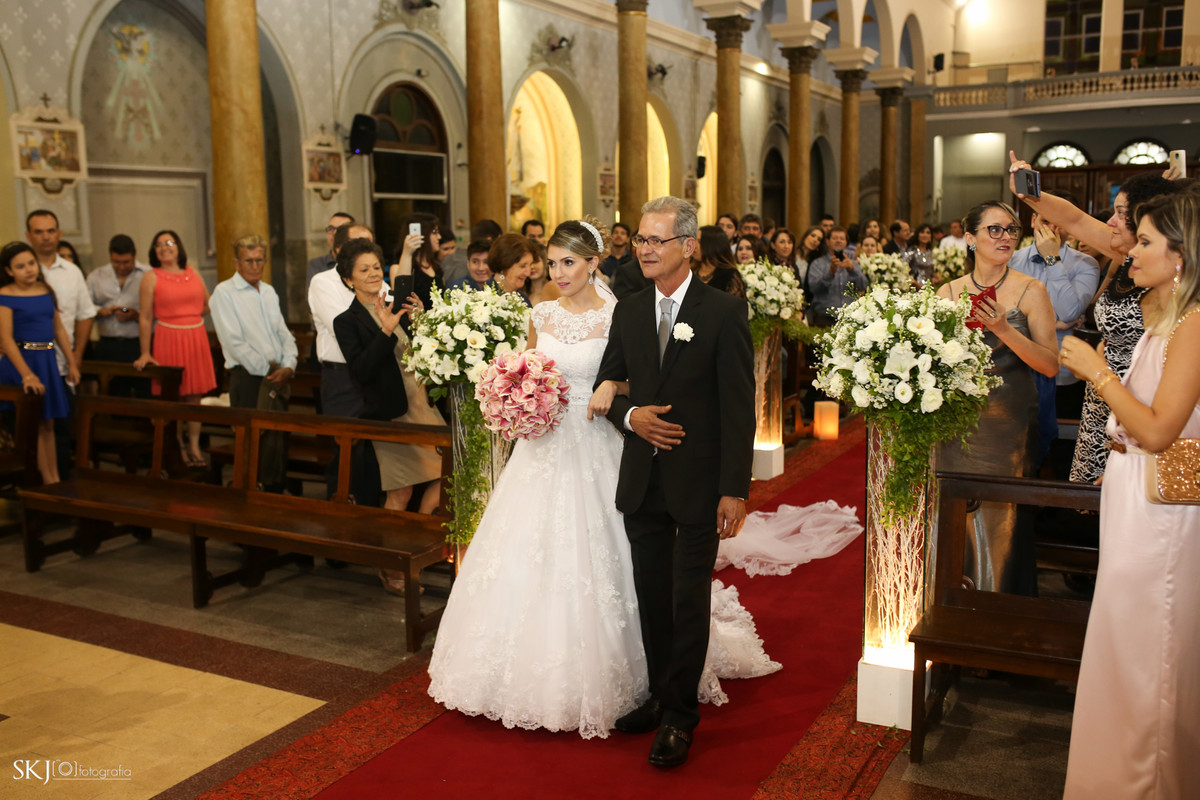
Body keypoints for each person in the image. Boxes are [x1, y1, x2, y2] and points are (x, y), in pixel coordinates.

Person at [596, 196, 756, 768]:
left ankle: (679, 718)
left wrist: (735, 488)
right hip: (643, 480)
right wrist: (630, 417)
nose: (642, 249)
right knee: (652, 599)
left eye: (655, 240)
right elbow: (608, 383)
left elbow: (740, 408)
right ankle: (662, 696)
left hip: (698, 482)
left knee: (687, 601)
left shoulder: (722, 312)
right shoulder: (631, 310)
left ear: (688, 246)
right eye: (640, 239)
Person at [1058, 190, 1200, 799]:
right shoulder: (1159, 317)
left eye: (1145, 241)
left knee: (1150, 650)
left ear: (1182, 255)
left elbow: (1158, 429)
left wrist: (1097, 373)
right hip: (1129, 496)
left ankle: (1148, 783)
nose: (1130, 250)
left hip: (1161, 510)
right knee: (1119, 640)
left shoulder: (1194, 326)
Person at [1006, 152, 1183, 484]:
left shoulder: (1176, 282)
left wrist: (1098, 371)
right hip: (1101, 403)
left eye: (1119, 213)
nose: (1110, 223)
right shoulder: (1123, 252)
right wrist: (1029, 193)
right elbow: (1073, 219)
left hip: (1144, 403)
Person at [936, 201, 1060, 595]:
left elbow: (1050, 365)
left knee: (1001, 516)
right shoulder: (948, 291)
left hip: (1009, 425)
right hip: (956, 423)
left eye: (1011, 230)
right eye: (995, 230)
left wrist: (1004, 330)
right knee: (954, 509)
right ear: (969, 238)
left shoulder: (1030, 289)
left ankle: (1000, 603)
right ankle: (952, 602)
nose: (1005, 237)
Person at [333, 238, 443, 518]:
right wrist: (384, 333)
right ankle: (394, 556)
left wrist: (421, 321)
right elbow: (361, 371)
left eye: (375, 267)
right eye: (363, 270)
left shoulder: (397, 304)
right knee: (401, 491)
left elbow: (426, 352)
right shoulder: (346, 321)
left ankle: (421, 539)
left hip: (423, 404)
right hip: (392, 412)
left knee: (448, 475)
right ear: (348, 279)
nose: (372, 274)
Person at [1007, 196, 1100, 469]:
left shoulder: (1085, 264)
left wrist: (1051, 259)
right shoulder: (1011, 260)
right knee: (1020, 453)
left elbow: (1069, 311)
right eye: (1045, 220)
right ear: (1033, 220)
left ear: (1070, 228)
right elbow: (1008, 315)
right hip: (1018, 369)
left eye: (1059, 223)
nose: (1051, 229)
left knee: (1062, 455)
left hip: (1063, 371)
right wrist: (1055, 323)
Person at [209, 234, 297, 493]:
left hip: (277, 374)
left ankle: (274, 496)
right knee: (253, 444)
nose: (255, 266)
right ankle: (249, 501)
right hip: (248, 378)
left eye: (260, 260)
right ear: (236, 263)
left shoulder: (268, 291)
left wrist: (289, 364)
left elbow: (283, 333)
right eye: (248, 261)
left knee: (277, 442)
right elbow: (234, 342)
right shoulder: (224, 293)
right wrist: (271, 370)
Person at [308, 222, 382, 506]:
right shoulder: (323, 282)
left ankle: (369, 510)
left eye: (369, 244)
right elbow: (346, 329)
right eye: (357, 244)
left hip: (373, 374)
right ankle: (341, 512)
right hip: (341, 377)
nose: (371, 269)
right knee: (346, 450)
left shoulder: (378, 281)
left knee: (371, 454)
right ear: (340, 250)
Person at [133, 230, 217, 468]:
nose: (164, 247)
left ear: (178, 246)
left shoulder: (193, 273)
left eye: (169, 243)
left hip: (195, 337)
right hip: (168, 337)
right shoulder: (151, 277)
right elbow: (145, 318)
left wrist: (188, 318)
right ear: (153, 251)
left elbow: (208, 304)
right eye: (158, 244)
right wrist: (145, 352)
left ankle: (194, 445)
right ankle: (178, 444)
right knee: (175, 395)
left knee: (194, 395)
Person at [0, 242, 80, 485]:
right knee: (32, 424)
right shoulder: (5, 294)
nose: (28, 270)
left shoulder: (45, 289)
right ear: (9, 270)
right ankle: (39, 481)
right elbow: (5, 338)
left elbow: (58, 329)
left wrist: (72, 362)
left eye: (31, 263)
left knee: (49, 423)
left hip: (47, 360)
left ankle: (53, 479)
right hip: (22, 362)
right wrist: (26, 375)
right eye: (20, 266)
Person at [86, 234, 148, 368]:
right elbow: (86, 307)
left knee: (144, 386)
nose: (121, 267)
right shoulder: (96, 276)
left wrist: (136, 315)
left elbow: (158, 310)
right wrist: (102, 311)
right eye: (116, 262)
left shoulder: (147, 275)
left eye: (126, 262)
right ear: (110, 257)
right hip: (108, 343)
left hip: (138, 343)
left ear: (134, 256)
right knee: (112, 387)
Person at [807, 227, 867, 327]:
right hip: (824, 318)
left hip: (850, 318)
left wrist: (852, 270)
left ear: (846, 242)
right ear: (827, 241)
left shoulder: (853, 264)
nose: (838, 241)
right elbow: (814, 288)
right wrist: (830, 273)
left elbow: (863, 286)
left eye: (842, 238)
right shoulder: (817, 263)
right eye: (835, 238)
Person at [390, 213, 443, 312]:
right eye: (434, 232)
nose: (439, 237)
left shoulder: (436, 266)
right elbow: (401, 300)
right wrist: (407, 253)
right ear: (423, 234)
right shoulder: (397, 268)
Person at [442, 219, 502, 286]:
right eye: (475, 262)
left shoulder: (500, 285)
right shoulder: (457, 287)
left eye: (486, 262)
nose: (481, 268)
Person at [306, 211, 353, 292]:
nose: (334, 233)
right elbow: (314, 296)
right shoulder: (316, 265)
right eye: (331, 229)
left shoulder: (360, 263)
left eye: (341, 229)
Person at [694, 226, 746, 297]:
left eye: (699, 241)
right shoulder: (689, 270)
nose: (694, 245)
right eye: (694, 241)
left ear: (712, 245)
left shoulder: (729, 275)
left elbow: (737, 305)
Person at [487, 233, 536, 306]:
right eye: (522, 266)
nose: (528, 273)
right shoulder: (484, 300)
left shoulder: (523, 299)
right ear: (503, 264)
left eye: (530, 265)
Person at [525, 241, 561, 305]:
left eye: (535, 261)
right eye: (528, 263)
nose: (532, 266)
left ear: (545, 262)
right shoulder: (520, 292)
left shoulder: (553, 289)